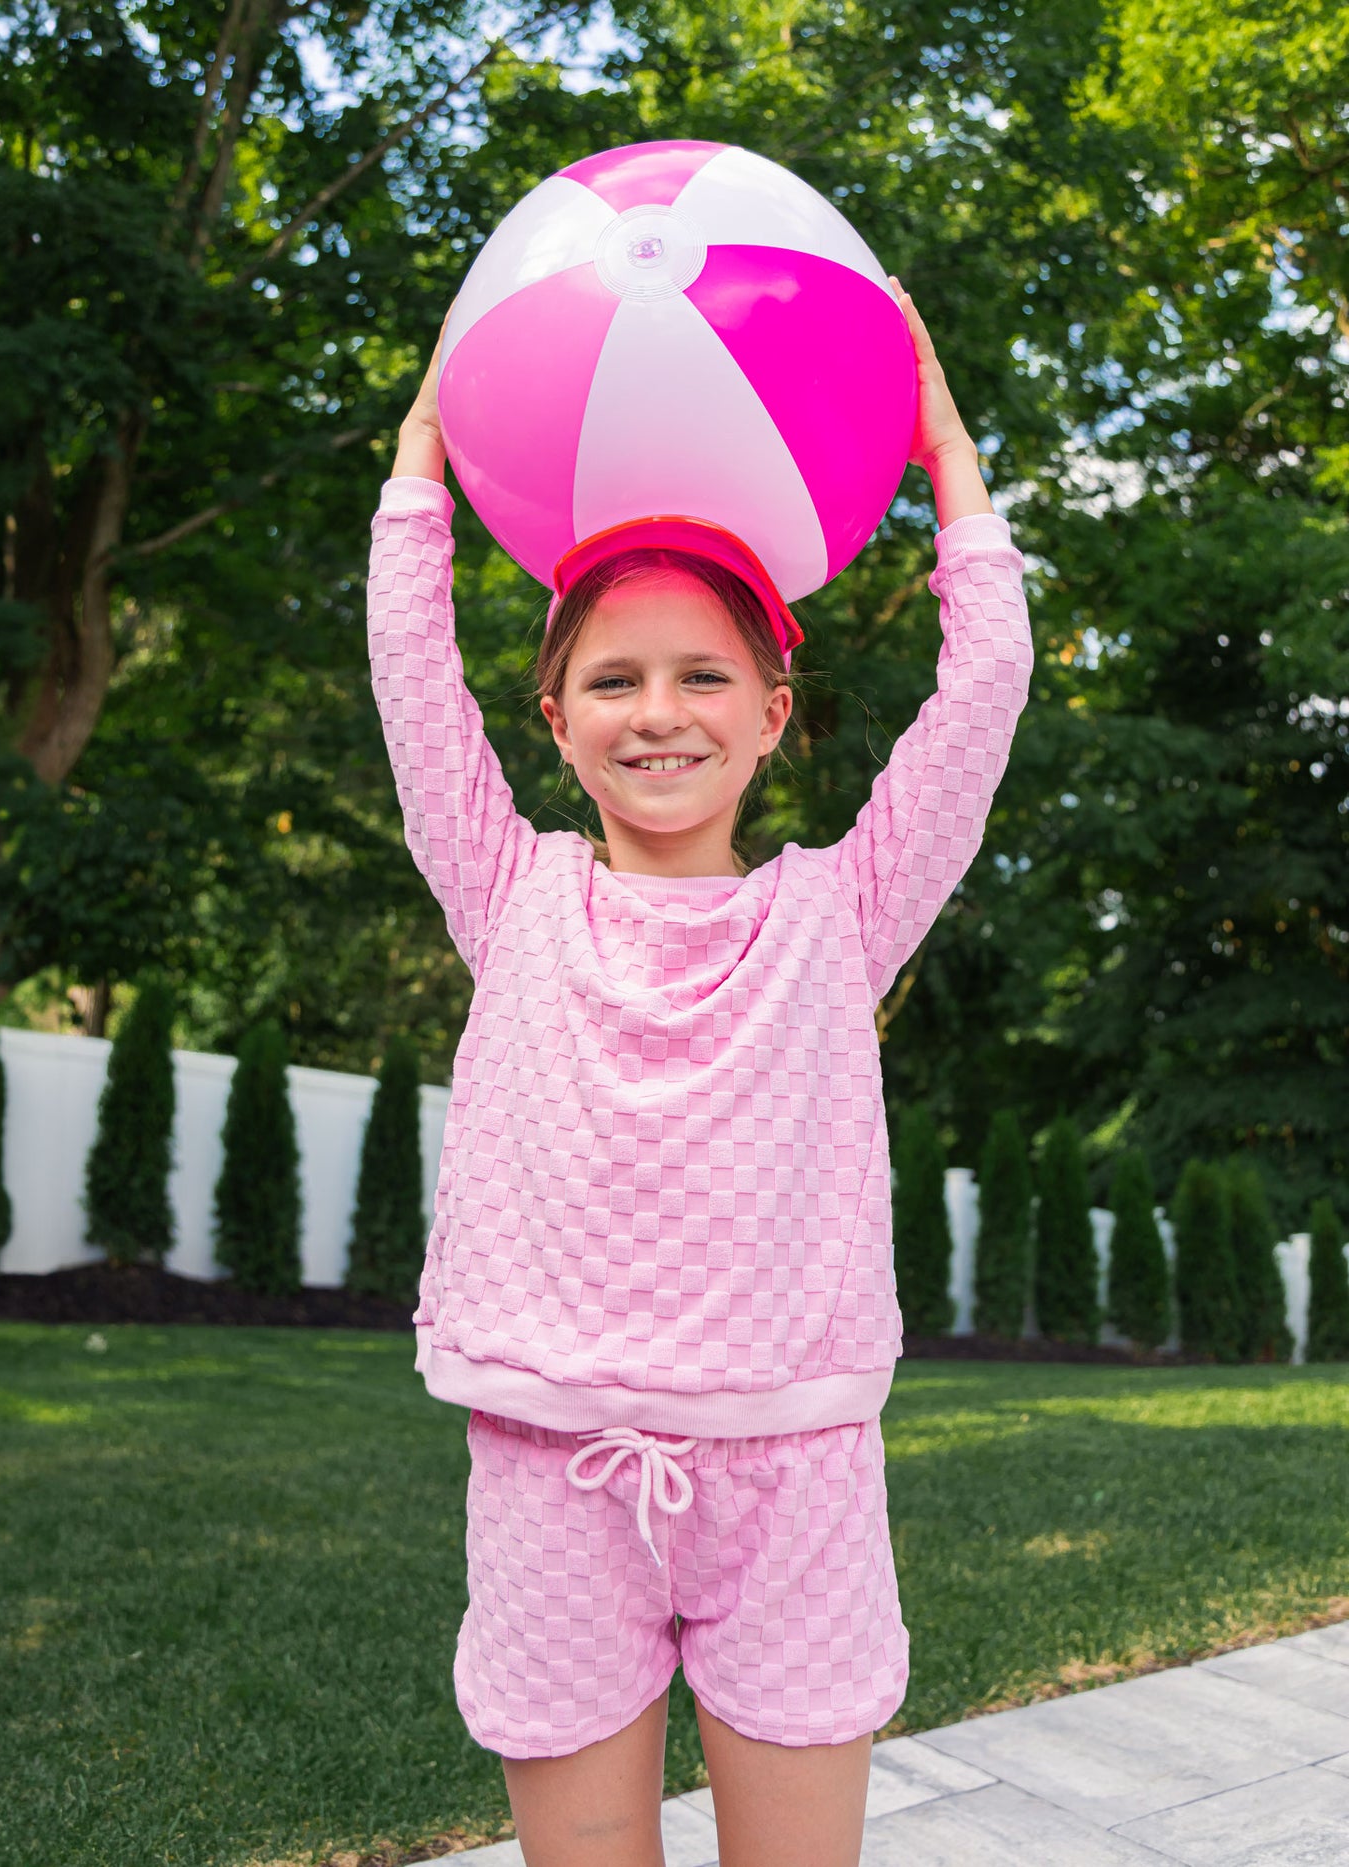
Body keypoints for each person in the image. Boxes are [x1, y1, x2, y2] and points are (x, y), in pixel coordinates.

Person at [368, 281, 1033, 1867]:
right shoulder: (508, 888)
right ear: (553, 720)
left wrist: (940, 446)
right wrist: (418, 469)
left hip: (791, 1477)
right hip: (550, 1476)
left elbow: (984, 688)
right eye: (612, 680)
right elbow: (411, 680)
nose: (658, 712)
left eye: (703, 676)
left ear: (774, 715)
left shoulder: (840, 908)